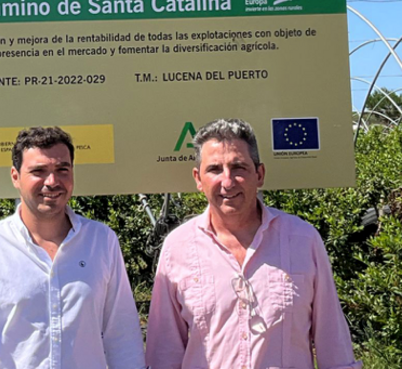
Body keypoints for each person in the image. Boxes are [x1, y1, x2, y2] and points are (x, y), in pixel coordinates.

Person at [144, 118, 361, 369]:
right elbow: (164, 353)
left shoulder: (303, 240)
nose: (227, 181)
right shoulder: (178, 247)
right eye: (215, 169)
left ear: (259, 174)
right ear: (198, 178)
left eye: (239, 168)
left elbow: (332, 342)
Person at [0, 126, 145, 369]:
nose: (52, 182)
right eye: (38, 171)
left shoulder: (101, 241)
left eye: (62, 170)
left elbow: (123, 337)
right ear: (15, 176)